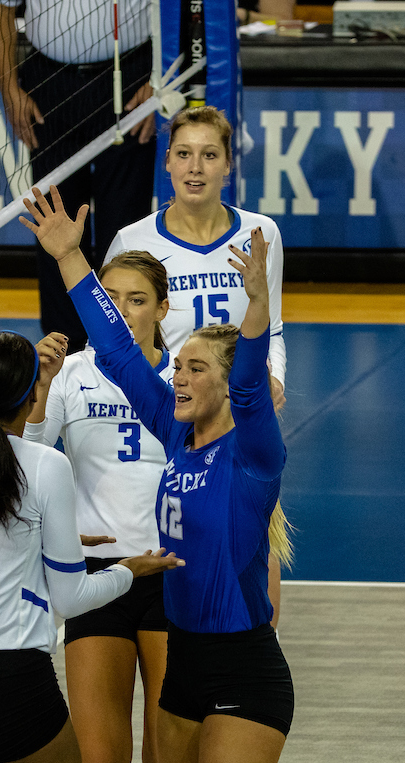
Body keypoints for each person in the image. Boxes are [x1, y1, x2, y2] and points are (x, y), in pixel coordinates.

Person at [22, 184, 294, 763]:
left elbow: (251, 384)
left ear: (226, 386)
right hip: (185, 669)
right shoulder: (177, 436)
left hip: (243, 669)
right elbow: (117, 351)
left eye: (196, 369)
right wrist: (70, 259)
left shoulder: (255, 453)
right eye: (179, 366)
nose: (178, 375)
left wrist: (256, 309)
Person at [0, 330, 183, 763]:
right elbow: (71, 598)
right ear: (36, 388)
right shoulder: (42, 464)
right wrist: (129, 570)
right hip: (6, 675)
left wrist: (46, 536)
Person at [102, 104, 288, 624]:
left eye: (209, 155)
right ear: (167, 163)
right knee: (174, 533)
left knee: (252, 541)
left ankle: (251, 656)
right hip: (166, 412)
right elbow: (120, 338)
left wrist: (272, 375)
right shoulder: (134, 241)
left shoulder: (261, 234)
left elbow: (271, 324)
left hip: (236, 415)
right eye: (184, 154)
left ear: (229, 164)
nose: (196, 167)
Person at [22, 253, 174, 763]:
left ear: (163, 307)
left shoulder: (186, 372)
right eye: (110, 298)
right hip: (96, 579)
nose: (123, 311)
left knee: (169, 757)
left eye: (138, 300)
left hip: (172, 573)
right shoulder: (71, 375)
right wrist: (39, 392)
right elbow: (31, 469)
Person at [0, 0, 156, 354]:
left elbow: (181, 10)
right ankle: (65, 355)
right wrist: (9, 89)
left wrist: (160, 80)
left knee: (125, 231)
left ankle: (127, 352)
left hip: (130, 77)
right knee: (54, 226)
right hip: (48, 83)